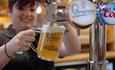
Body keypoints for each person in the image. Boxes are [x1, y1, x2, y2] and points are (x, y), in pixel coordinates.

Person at [0, 0, 81, 70]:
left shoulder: (43, 36)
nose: (28, 14)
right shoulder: (2, 38)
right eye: (21, 8)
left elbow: (72, 50)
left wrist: (60, 13)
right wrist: (8, 48)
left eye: (32, 10)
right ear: (9, 11)